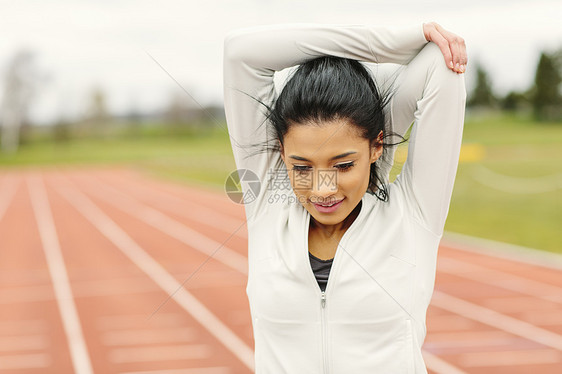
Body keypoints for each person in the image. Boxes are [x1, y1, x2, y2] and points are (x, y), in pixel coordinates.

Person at [223, 20, 467, 373]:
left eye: (342, 165)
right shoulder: (268, 213)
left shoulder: (413, 215)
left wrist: (370, 89)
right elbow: (240, 52)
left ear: (376, 146)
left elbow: (439, 68)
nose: (322, 189)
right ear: (280, 153)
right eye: (302, 168)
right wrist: (387, 43)